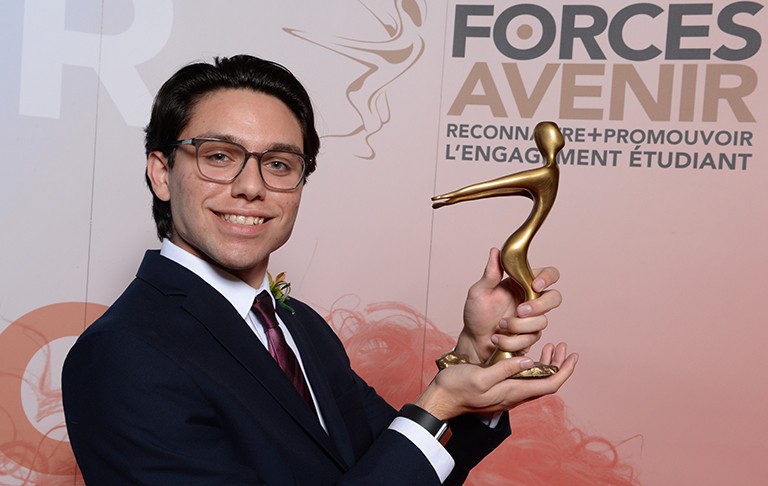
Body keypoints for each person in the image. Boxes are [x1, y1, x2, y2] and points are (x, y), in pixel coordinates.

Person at [62, 54, 578, 485]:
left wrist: (475, 356)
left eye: (280, 164)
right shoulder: (122, 354)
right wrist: (437, 401)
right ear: (162, 173)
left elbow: (396, 466)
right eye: (219, 157)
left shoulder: (298, 326)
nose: (251, 187)